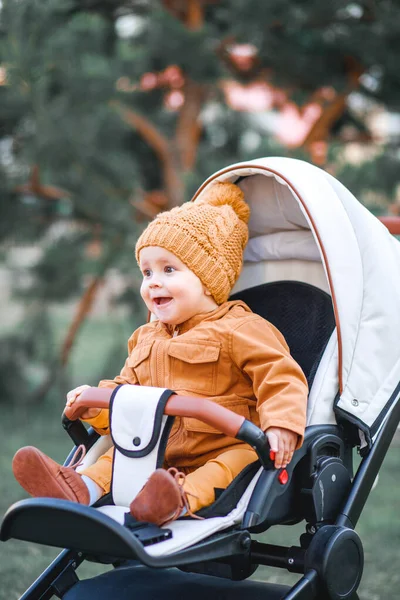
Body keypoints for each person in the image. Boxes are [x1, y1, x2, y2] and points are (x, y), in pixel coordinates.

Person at [12, 181, 308, 526]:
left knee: (230, 464)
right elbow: (127, 392)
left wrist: (282, 425)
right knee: (118, 457)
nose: (153, 281)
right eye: (147, 271)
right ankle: (81, 488)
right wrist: (95, 404)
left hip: (223, 444)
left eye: (169, 270)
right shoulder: (145, 338)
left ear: (208, 278)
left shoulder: (240, 328)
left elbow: (280, 375)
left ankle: (175, 500)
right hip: (157, 446)